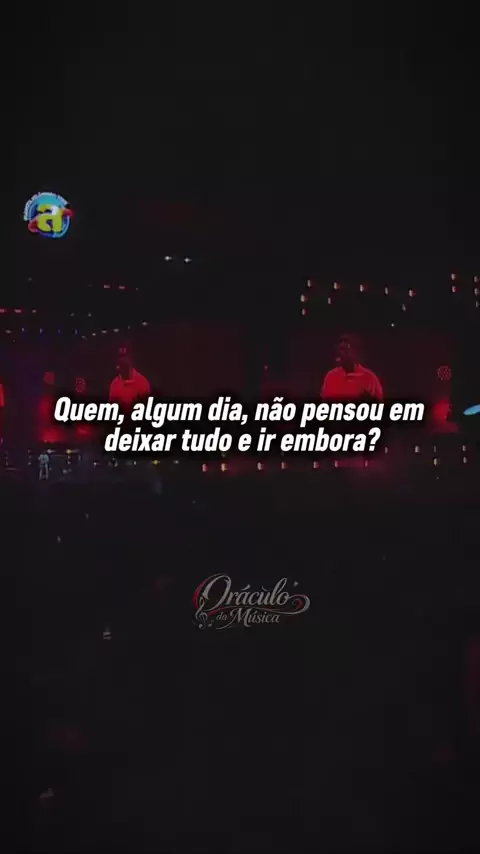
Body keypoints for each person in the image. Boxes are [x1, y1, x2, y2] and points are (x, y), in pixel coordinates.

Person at [321, 334, 383, 401]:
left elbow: (380, 403)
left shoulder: (369, 378)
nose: (340, 353)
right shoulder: (330, 376)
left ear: (355, 352)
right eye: (339, 349)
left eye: (344, 350)